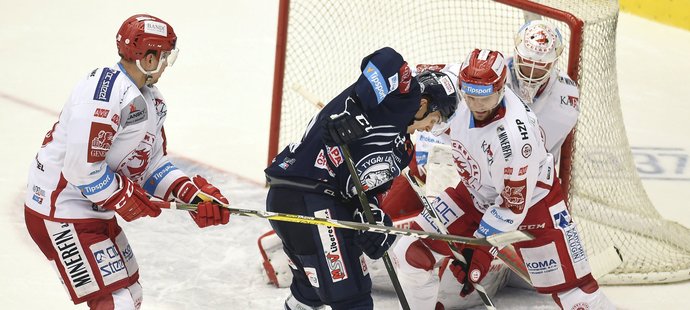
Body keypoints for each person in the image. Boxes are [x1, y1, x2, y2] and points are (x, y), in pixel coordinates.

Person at [23, 14, 231, 309]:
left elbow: (149, 165)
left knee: (131, 295)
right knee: (115, 301)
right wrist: (124, 194)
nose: (166, 64)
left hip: (92, 208)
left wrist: (190, 195)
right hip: (59, 208)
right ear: (148, 59)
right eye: (164, 56)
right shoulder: (102, 94)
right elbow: (81, 169)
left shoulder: (152, 100)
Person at [391, 48, 614, 310]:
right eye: (471, 96)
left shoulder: (515, 140)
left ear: (501, 89)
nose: (477, 106)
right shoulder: (450, 84)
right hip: (475, 193)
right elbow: (409, 85)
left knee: (577, 295)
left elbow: (512, 206)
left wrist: (483, 247)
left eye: (485, 98)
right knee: (409, 252)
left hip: (533, 204)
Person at [264, 47, 459, 310]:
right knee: (353, 299)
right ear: (424, 105)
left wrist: (375, 222)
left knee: (308, 293)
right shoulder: (403, 96)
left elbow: (368, 195)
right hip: (310, 195)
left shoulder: (403, 150)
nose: (430, 129)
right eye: (434, 119)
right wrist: (355, 108)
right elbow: (387, 60)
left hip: (310, 204)